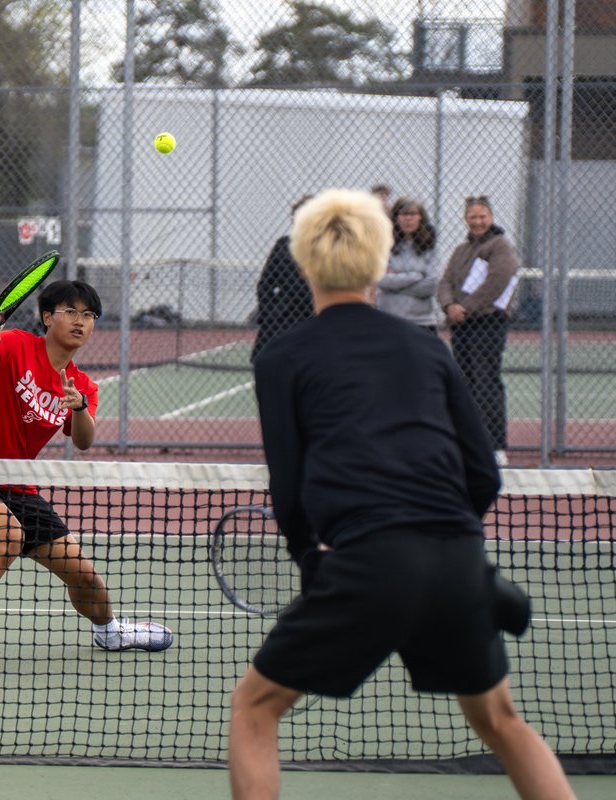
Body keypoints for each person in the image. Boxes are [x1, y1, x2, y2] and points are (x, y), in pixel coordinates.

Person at [231, 188, 573, 800]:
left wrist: (314, 561)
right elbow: (483, 476)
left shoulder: (280, 358)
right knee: (500, 721)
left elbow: (289, 491)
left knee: (254, 709)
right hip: (459, 561)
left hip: (366, 564)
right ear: (382, 264)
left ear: (305, 264)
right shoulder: (425, 347)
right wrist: (454, 549)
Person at [0, 279, 174, 671]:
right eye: (71, 312)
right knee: (7, 536)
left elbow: (84, 441)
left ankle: (110, 633)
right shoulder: (15, 345)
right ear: (47, 317)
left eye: (89, 315)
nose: (81, 321)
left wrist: (78, 409)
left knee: (84, 574)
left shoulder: (82, 385)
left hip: (17, 487)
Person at [437, 195, 519, 467]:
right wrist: (449, 305)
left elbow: (498, 281)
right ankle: (469, 443)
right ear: (466, 219)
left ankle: (496, 446)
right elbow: (446, 281)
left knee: (487, 382)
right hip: (462, 326)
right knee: (466, 384)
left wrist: (466, 308)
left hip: (488, 324)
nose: (478, 221)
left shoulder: (500, 246)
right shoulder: (461, 250)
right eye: (473, 217)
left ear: (491, 217)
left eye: (482, 216)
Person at [251, 195, 314, 362]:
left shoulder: (328, 248)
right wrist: (270, 312)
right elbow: (265, 284)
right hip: (283, 318)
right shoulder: (284, 246)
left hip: (313, 318)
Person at [379, 197, 440, 331]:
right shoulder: (384, 246)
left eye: (412, 214)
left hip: (422, 321)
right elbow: (380, 280)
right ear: (396, 218)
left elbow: (431, 285)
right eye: (404, 214)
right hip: (389, 318)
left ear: (420, 218)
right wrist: (416, 276)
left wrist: (395, 283)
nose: (408, 219)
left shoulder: (429, 247)